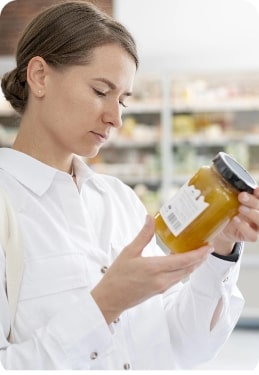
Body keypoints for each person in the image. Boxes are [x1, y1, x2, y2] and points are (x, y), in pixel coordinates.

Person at [0, 0, 259, 370]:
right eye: (101, 91)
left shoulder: (119, 201)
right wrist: (104, 305)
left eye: (123, 100)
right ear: (40, 76)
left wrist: (221, 247)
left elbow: (183, 346)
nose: (116, 118)